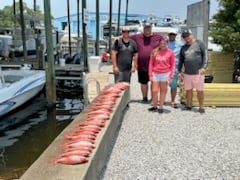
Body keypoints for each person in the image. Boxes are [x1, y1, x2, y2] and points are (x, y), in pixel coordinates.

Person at [130, 22, 163, 103]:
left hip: (154, 65)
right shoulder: (138, 36)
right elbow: (126, 37)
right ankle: (144, 98)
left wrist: (158, 48)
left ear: (151, 29)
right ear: (143, 29)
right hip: (141, 64)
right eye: (146, 28)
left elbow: (165, 40)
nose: (147, 30)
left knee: (153, 82)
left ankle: (153, 98)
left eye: (149, 28)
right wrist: (117, 37)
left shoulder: (157, 36)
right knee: (143, 82)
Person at [178, 29, 208, 113]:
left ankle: (201, 106)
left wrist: (204, 67)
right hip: (187, 73)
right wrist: (180, 71)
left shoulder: (199, 43)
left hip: (198, 72)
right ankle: (189, 105)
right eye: (184, 36)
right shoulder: (183, 48)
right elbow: (181, 60)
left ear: (192, 35)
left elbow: (205, 55)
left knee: (200, 90)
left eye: (188, 35)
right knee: (188, 90)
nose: (187, 37)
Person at [148, 37, 175, 113]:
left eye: (164, 43)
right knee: (154, 90)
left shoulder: (170, 53)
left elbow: (173, 65)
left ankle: (161, 106)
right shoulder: (154, 52)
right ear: (159, 44)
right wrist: (150, 74)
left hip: (165, 74)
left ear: (167, 44)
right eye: (161, 43)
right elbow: (151, 64)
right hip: (155, 73)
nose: (163, 45)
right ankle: (154, 105)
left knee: (163, 91)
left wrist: (171, 76)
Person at [167, 29, 183, 108]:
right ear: (168, 35)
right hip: (163, 68)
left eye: (173, 34)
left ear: (176, 35)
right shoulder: (164, 43)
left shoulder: (180, 44)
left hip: (174, 68)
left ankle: (172, 101)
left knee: (173, 85)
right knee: (161, 85)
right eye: (170, 34)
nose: (171, 36)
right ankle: (159, 100)